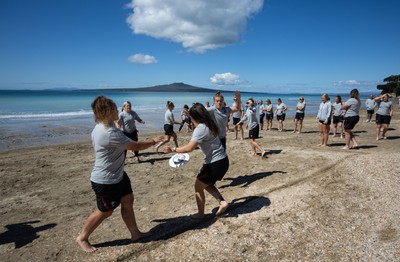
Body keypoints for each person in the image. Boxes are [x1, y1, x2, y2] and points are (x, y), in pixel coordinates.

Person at [76, 96, 162, 253]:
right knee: (106, 211)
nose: (118, 110)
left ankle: (135, 233)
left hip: (119, 175)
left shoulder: (103, 127)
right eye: (115, 108)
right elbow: (135, 146)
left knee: (128, 200)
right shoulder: (108, 133)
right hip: (105, 180)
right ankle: (82, 237)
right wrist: (153, 141)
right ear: (108, 111)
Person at [164, 103, 230, 219]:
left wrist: (173, 149)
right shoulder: (210, 124)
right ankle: (222, 202)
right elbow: (196, 135)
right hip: (223, 160)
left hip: (214, 164)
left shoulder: (200, 129)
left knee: (198, 187)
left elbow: (190, 148)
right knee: (206, 183)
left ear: (194, 117)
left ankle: (200, 214)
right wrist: (191, 116)